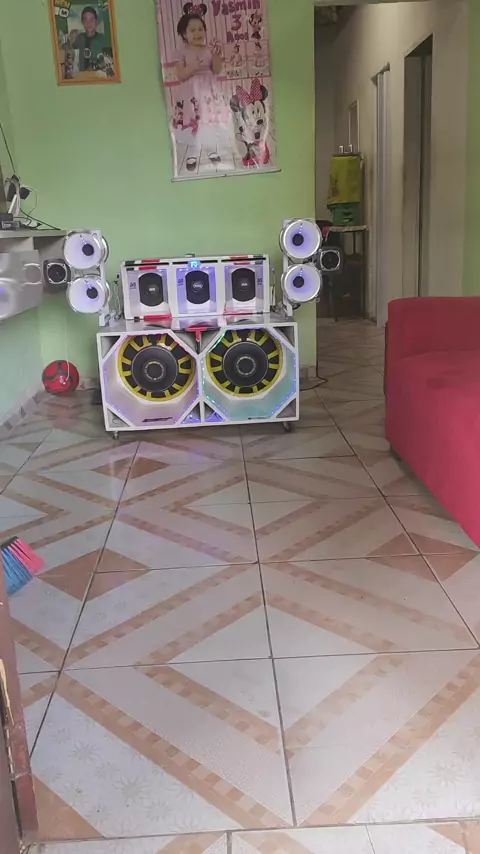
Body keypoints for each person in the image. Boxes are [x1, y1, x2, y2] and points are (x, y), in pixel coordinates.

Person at [175, 3, 226, 171]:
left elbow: (216, 70)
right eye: (192, 30)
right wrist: (193, 66)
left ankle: (211, 150)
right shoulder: (182, 52)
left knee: (208, 123)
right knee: (193, 124)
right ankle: (192, 154)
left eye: (200, 29)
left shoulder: (209, 50)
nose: (197, 33)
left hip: (208, 93)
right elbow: (181, 75)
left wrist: (217, 56)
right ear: (184, 34)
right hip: (191, 95)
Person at [68, 5, 108, 73]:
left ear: (96, 21)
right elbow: (68, 55)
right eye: (85, 20)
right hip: (80, 77)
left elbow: (109, 61)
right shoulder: (78, 38)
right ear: (82, 22)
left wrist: (95, 67)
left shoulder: (103, 40)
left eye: (92, 20)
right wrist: (69, 42)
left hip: (98, 77)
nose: (89, 23)